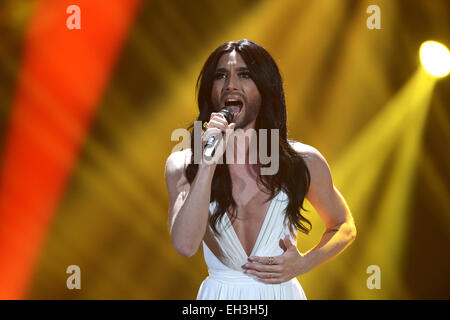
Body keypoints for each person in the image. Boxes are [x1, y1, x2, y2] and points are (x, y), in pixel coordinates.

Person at [165, 39, 356, 300]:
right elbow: (185, 245)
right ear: (210, 89)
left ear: (264, 87)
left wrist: (304, 263)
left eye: (244, 75)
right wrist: (207, 161)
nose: (231, 84)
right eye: (221, 76)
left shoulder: (302, 161)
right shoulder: (184, 165)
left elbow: (344, 225)